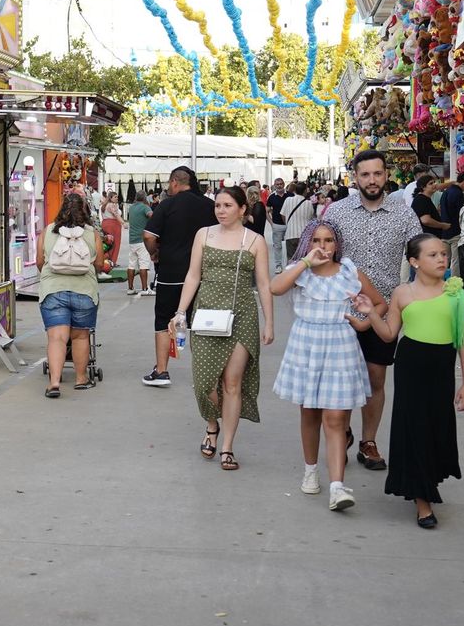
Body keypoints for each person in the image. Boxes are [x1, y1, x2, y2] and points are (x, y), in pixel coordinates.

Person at [352, 234, 464, 529]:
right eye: (432, 255)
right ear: (414, 261)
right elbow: (388, 335)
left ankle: (428, 481)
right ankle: (423, 501)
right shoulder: (402, 293)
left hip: (441, 367)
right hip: (410, 366)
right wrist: (371, 314)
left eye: (443, 254)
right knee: (415, 427)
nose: (441, 259)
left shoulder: (456, 293)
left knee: (436, 426)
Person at [270, 219, 386, 511]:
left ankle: (337, 486)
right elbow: (275, 287)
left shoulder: (349, 271)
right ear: (307, 243)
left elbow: (379, 303)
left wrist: (363, 323)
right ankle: (310, 470)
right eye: (316, 240)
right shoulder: (299, 272)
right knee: (309, 413)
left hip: (340, 346)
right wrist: (305, 263)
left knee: (335, 418)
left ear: (337, 244)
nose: (323, 246)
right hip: (306, 344)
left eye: (329, 240)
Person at [324, 150, 423, 474]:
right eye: (365, 174)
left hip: (384, 309)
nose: (371, 180)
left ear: (386, 174)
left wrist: (426, 292)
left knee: (375, 376)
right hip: (341, 310)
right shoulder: (337, 212)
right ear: (355, 177)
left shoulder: (403, 213)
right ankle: (341, 433)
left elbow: (420, 254)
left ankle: (368, 441)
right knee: (340, 377)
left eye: (377, 174)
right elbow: (321, 252)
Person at [169, 186, 273, 470]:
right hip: (206, 315)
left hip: (242, 316)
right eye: (218, 205)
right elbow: (193, 276)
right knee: (205, 383)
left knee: (232, 383)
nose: (221, 211)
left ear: (242, 209)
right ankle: (212, 424)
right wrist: (180, 312)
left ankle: (227, 446)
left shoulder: (255, 241)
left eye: (228, 205)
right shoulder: (203, 234)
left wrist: (269, 322)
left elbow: (264, 284)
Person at [141, 166, 218, 387]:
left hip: (171, 273)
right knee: (200, 323)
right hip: (203, 273)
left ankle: (161, 371)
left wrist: (154, 252)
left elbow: (148, 236)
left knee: (164, 320)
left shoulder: (167, 205)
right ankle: (203, 375)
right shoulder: (209, 206)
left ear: (175, 182)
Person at [37, 192, 103, 398]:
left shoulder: (48, 231)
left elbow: (40, 262)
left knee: (56, 337)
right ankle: (81, 379)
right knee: (80, 336)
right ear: (84, 210)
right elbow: (100, 264)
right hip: (84, 291)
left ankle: (54, 383)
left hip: (53, 290)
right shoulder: (92, 233)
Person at [123, 192, 155, 295]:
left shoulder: (132, 207)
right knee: (143, 265)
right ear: (145, 198)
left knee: (131, 264)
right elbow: (151, 215)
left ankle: (130, 288)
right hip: (142, 240)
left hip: (132, 239)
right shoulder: (145, 207)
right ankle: (145, 289)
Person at [280, 182, 315, 262]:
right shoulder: (309, 203)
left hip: (290, 234)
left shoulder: (288, 200)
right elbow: (310, 218)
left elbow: (282, 214)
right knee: (304, 260)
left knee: (291, 260)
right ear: (305, 191)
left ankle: (291, 270)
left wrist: (288, 224)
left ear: (295, 190)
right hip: (304, 235)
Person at [409, 174, 450, 238]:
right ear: (423, 187)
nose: (434, 184)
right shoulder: (421, 200)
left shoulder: (425, 199)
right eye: (431, 183)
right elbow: (426, 220)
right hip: (426, 239)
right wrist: (442, 225)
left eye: (434, 182)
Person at [438, 172, 464, 239]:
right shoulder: (458, 193)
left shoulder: (446, 191)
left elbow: (440, 207)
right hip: (454, 230)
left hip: (445, 228)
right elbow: (461, 213)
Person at [266, 177, 288, 274]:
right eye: (277, 184)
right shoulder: (271, 197)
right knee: (277, 246)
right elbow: (266, 211)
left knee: (290, 246)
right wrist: (271, 223)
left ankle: (290, 266)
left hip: (289, 225)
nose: (279, 186)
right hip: (277, 225)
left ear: (284, 184)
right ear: (274, 186)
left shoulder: (290, 195)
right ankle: (278, 265)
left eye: (281, 184)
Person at [100, 189, 124, 270]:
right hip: (113, 224)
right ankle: (112, 261)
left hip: (105, 223)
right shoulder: (111, 205)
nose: (117, 198)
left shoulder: (104, 205)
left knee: (107, 243)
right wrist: (123, 223)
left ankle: (105, 260)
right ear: (110, 198)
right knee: (115, 243)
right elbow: (116, 214)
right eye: (115, 197)